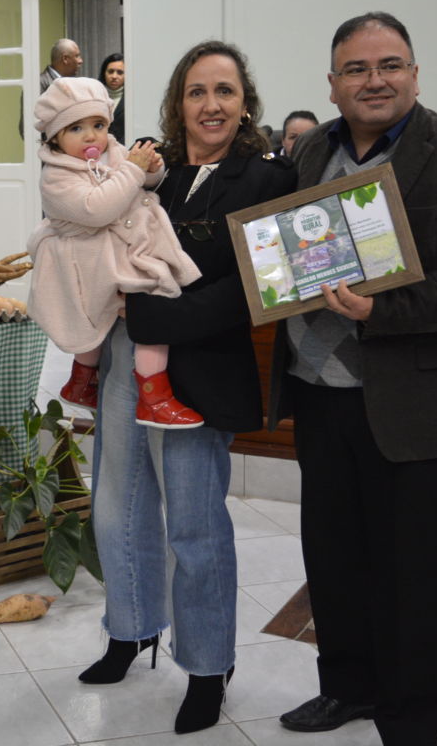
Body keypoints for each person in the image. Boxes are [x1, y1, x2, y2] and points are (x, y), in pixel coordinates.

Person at [270, 13, 437, 744]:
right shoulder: (314, 146)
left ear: (415, 72)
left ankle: (411, 721)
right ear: (332, 82)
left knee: (410, 578)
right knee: (335, 560)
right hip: (319, 396)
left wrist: (384, 310)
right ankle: (347, 687)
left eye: (389, 65)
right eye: (355, 69)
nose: (373, 80)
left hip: (417, 404)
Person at [83, 41, 295, 737]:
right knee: (117, 507)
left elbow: (261, 287)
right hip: (126, 358)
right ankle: (130, 630)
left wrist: (158, 313)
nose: (211, 105)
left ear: (245, 102)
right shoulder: (153, 172)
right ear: (178, 102)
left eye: (225, 92)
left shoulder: (268, 178)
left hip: (200, 368)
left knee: (195, 529)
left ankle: (208, 667)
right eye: (197, 92)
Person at [27, 75, 201, 427]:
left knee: (140, 307)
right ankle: (154, 395)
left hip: (116, 247)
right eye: (76, 128)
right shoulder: (55, 176)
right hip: (88, 256)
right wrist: (133, 171)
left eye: (98, 124)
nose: (91, 135)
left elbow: (141, 183)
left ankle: (82, 380)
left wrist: (152, 170)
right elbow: (98, 208)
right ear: (55, 137)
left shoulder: (114, 151)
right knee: (155, 294)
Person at [98, 52, 127, 143]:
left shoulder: (132, 100)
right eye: (110, 72)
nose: (114, 76)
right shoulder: (95, 95)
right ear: (104, 73)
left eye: (120, 72)